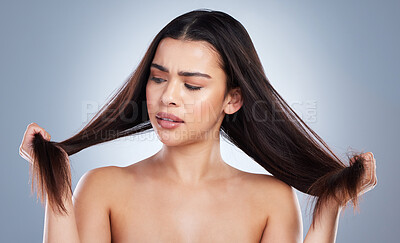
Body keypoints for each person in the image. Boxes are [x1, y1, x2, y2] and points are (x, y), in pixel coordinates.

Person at [19, 9, 377, 242]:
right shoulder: (103, 188)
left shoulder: (272, 200)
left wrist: (331, 207)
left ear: (232, 99)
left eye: (192, 85)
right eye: (158, 78)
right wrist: (56, 188)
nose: (168, 97)